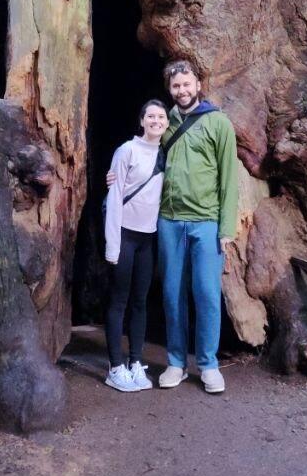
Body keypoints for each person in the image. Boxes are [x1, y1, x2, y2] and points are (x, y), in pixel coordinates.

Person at [120, 59, 240, 394]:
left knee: (206, 294)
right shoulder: (164, 122)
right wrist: (116, 176)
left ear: (198, 84)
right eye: (175, 86)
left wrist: (226, 227)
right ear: (169, 89)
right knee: (172, 294)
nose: (182, 90)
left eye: (187, 84)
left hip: (206, 222)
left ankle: (208, 365)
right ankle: (176, 362)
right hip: (170, 221)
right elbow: (141, 157)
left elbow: (230, 178)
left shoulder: (218, 123)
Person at [102, 99, 169, 392]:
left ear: (167, 123)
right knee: (119, 300)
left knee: (140, 302)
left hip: (148, 237)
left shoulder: (166, 154)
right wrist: (112, 246)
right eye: (151, 116)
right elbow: (115, 198)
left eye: (161, 116)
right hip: (125, 234)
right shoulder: (127, 150)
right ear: (142, 121)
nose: (156, 120)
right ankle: (115, 367)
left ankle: (135, 363)